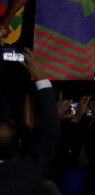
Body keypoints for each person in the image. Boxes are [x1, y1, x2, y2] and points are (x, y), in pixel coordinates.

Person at [0, 48, 61, 194]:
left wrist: (41, 77)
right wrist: (41, 75)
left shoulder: (32, 170)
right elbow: (52, 133)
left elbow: (52, 131)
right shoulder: (31, 171)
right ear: (19, 143)